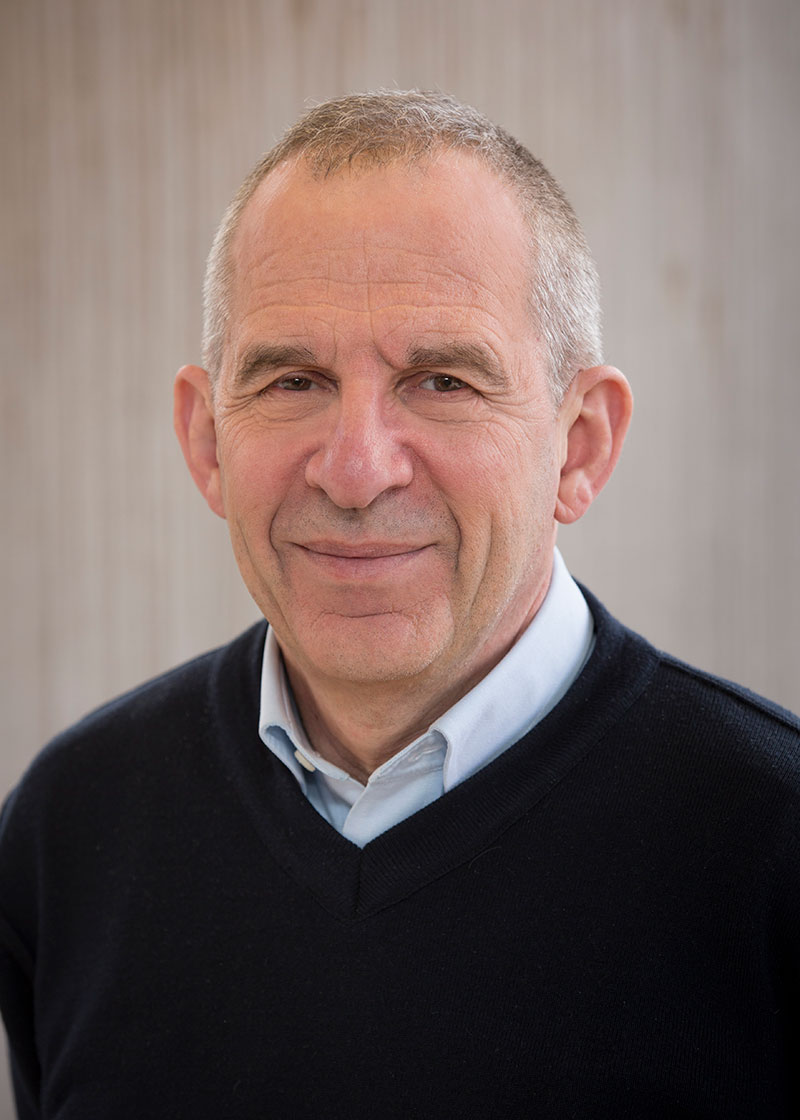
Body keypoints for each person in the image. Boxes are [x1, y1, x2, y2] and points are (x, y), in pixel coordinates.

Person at [0, 90, 797, 1119]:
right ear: (206, 441)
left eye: (442, 381)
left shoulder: (769, 849)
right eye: (292, 379)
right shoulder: (70, 832)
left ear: (581, 444)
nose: (355, 469)